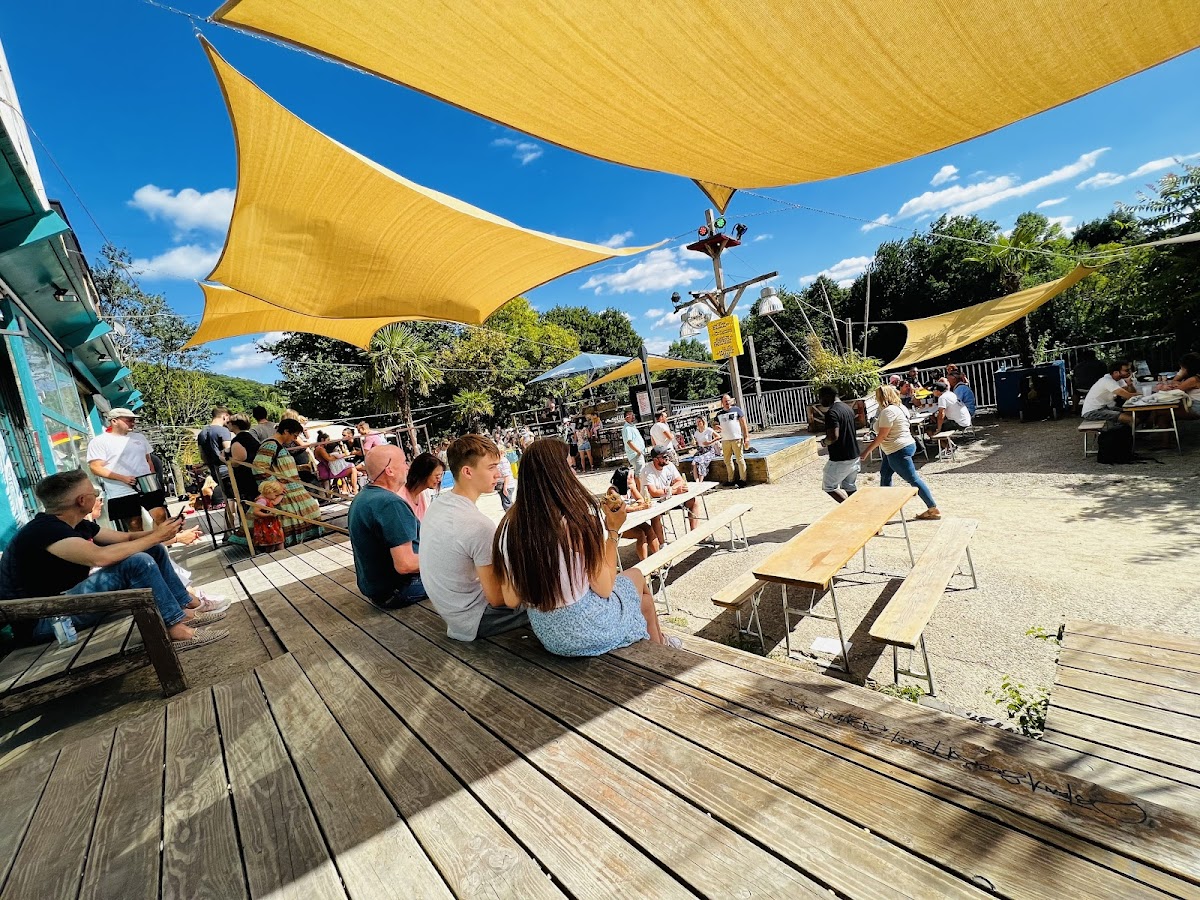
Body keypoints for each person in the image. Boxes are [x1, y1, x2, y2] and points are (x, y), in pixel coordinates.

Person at [0, 470, 229, 650]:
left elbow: (127, 537)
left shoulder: (76, 524)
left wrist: (163, 533)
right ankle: (175, 631)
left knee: (153, 549)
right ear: (82, 500)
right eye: (94, 492)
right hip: (45, 619)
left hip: (63, 605)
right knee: (138, 562)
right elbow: (102, 557)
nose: (97, 496)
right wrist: (157, 536)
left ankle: (184, 608)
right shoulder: (44, 531)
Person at [492, 439, 673, 656]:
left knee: (645, 603)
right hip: (587, 631)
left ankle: (661, 643)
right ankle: (663, 649)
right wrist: (613, 531)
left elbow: (512, 599)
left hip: (548, 634)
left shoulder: (508, 527)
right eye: (570, 467)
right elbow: (604, 588)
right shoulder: (576, 522)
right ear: (558, 475)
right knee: (636, 575)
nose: (574, 473)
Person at [419, 435, 528, 641]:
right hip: (477, 618)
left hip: (453, 614)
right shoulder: (477, 525)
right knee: (554, 594)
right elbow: (497, 598)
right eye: (491, 467)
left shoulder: (439, 505)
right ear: (467, 472)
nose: (498, 473)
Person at [348, 445, 425, 607]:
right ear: (389, 471)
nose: (407, 467)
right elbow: (405, 565)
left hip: (378, 591)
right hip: (401, 589)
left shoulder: (362, 497)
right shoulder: (390, 504)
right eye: (403, 462)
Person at [859, 385, 941, 520]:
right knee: (885, 475)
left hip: (897, 449)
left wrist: (866, 452)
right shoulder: (900, 407)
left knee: (913, 479)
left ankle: (932, 508)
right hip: (899, 446)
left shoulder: (888, 412)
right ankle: (885, 508)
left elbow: (882, 436)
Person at [87, 408, 167, 532]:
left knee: (160, 515)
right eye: (129, 420)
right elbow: (95, 467)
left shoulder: (139, 437)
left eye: (134, 420)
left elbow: (148, 460)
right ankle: (146, 544)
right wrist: (122, 478)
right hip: (120, 490)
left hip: (147, 485)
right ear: (114, 421)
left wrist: (153, 477)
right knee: (134, 524)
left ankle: (160, 540)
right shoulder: (99, 441)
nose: (133, 423)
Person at [252, 419, 323, 545]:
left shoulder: (278, 445)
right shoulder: (270, 445)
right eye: (294, 435)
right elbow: (259, 467)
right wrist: (276, 486)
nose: (295, 439)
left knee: (310, 511)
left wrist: (300, 468)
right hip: (284, 490)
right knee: (303, 514)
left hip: (291, 487)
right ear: (286, 431)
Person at [641, 445, 698, 531]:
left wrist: (671, 490)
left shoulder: (669, 465)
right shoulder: (647, 471)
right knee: (655, 516)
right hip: (655, 502)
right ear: (655, 459)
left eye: (667, 455)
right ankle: (661, 540)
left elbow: (680, 481)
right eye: (664, 456)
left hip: (668, 498)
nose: (667, 458)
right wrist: (673, 491)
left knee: (693, 501)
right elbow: (654, 492)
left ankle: (695, 531)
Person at [819, 386, 860, 503]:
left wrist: (824, 442)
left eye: (820, 397)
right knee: (849, 485)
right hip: (854, 455)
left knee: (829, 487)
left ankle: (851, 509)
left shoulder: (832, 412)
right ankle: (859, 508)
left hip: (840, 457)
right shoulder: (847, 408)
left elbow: (833, 436)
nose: (820, 401)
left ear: (828, 396)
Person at [607, 466, 657, 560]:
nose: (633, 478)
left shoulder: (630, 487)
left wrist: (634, 506)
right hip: (617, 524)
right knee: (640, 533)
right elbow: (622, 508)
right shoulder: (612, 491)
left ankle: (658, 557)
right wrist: (638, 507)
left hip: (631, 519)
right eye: (630, 477)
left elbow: (640, 499)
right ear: (623, 478)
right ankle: (645, 562)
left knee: (649, 529)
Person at [1081, 360, 1137, 424]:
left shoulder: (1119, 380)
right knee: (1132, 419)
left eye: (1130, 370)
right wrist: (1145, 395)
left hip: (1105, 408)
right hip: (1092, 412)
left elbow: (1127, 395)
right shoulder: (1107, 381)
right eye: (1127, 370)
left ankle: (1123, 428)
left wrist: (1130, 384)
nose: (1130, 372)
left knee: (1133, 413)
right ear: (1116, 372)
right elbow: (1128, 395)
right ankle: (1122, 429)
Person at [226, 414, 261, 510]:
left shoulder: (238, 440)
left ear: (235, 425)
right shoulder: (251, 438)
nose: (227, 424)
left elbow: (238, 461)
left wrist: (224, 458)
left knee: (248, 506)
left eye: (229, 422)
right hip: (255, 476)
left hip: (246, 480)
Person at [715, 393, 750, 488]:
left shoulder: (737, 410)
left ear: (731, 401)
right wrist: (716, 426)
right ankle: (731, 479)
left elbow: (743, 424)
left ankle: (743, 479)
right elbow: (715, 424)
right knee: (727, 460)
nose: (727, 402)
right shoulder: (719, 414)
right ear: (722, 403)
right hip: (725, 440)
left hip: (736, 438)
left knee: (740, 459)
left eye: (728, 400)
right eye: (725, 401)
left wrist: (746, 437)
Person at [313, 430, 360, 495]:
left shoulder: (319, 448)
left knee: (349, 468)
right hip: (327, 471)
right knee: (352, 469)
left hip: (326, 468)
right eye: (328, 440)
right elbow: (329, 459)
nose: (329, 441)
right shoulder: (320, 449)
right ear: (323, 440)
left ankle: (341, 487)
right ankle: (354, 490)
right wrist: (339, 456)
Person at [402, 452, 445, 521]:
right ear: (424, 474)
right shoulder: (402, 499)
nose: (439, 480)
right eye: (437, 476)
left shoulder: (423, 495)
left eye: (440, 475)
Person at [197, 407, 232, 491]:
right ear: (225, 416)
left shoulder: (201, 433)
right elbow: (229, 451)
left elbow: (202, 456)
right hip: (227, 471)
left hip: (214, 472)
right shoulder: (223, 431)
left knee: (226, 495)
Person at [1155, 351, 1200, 417]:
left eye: (1182, 368)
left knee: (1159, 412)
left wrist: (1180, 374)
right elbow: (1175, 383)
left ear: (1188, 368)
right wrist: (1180, 383)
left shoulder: (1193, 379)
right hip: (1192, 404)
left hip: (1196, 407)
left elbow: (1175, 392)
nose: (1181, 370)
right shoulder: (1195, 377)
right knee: (1162, 415)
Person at [251, 479, 287, 552]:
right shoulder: (262, 500)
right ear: (269, 492)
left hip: (272, 525)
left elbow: (274, 502)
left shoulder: (267, 498)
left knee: (278, 540)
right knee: (270, 543)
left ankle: (282, 552)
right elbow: (256, 512)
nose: (275, 497)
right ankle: (272, 554)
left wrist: (281, 494)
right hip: (266, 525)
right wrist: (268, 515)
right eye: (275, 495)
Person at [691, 416, 719, 482]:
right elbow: (696, 443)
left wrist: (710, 442)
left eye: (699, 421)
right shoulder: (696, 433)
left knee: (701, 462)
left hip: (709, 450)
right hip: (701, 450)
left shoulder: (708, 430)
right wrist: (694, 443)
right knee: (694, 463)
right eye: (697, 422)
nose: (698, 423)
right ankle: (697, 481)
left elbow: (718, 436)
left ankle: (700, 481)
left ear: (703, 422)